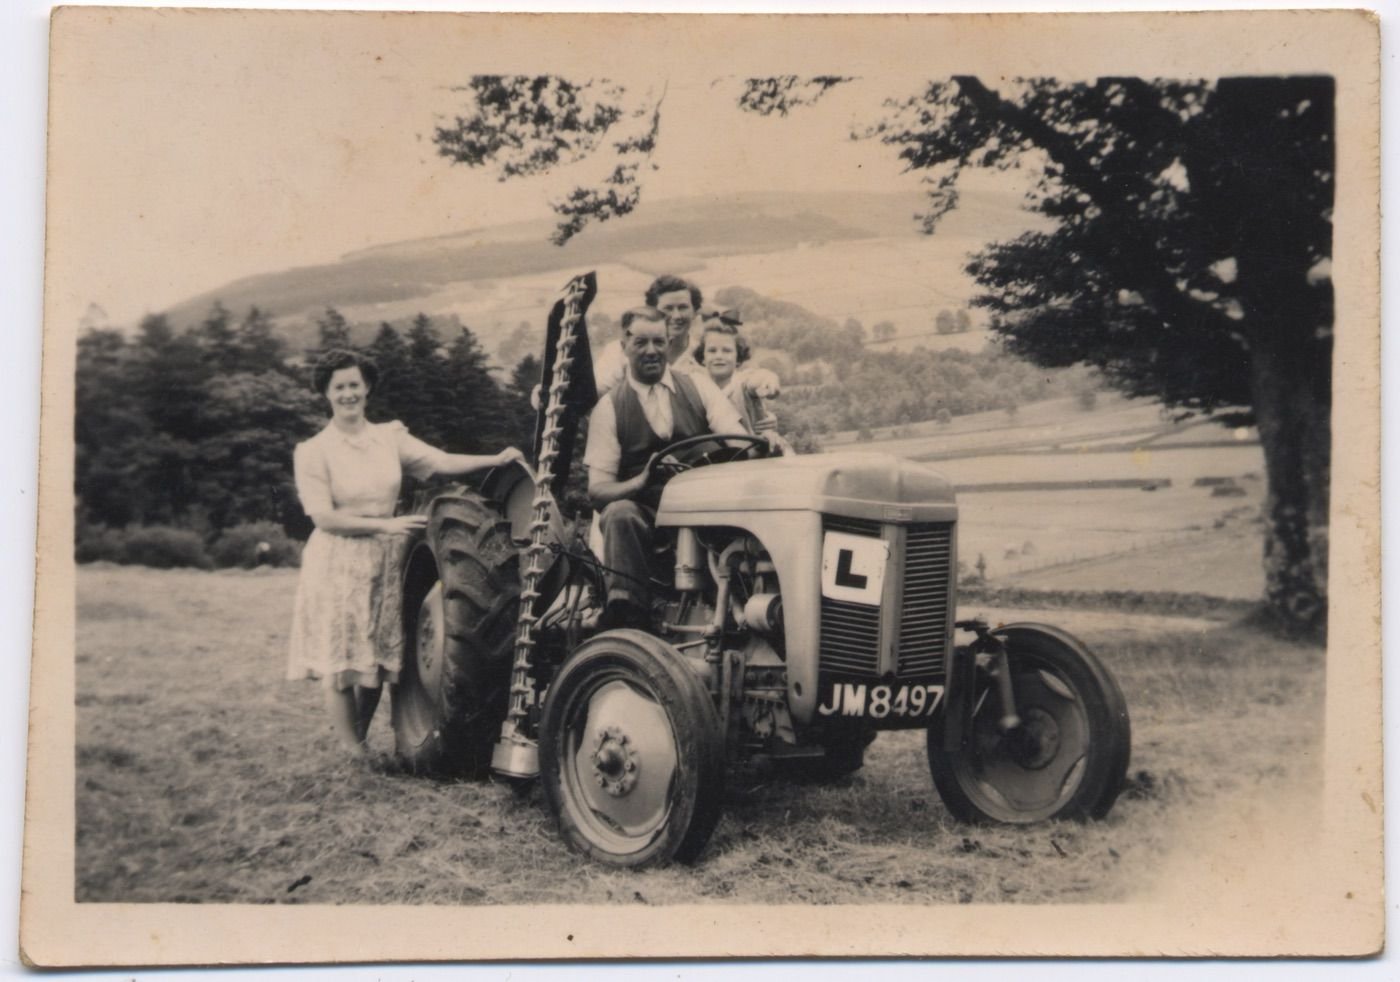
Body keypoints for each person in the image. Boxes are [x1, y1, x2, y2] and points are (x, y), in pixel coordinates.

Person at [286, 349, 526, 759]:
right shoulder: (313, 450)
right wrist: (386, 526)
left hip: (383, 557)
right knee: (343, 660)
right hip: (339, 560)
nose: (348, 394)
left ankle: (359, 740)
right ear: (326, 393)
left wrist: (496, 458)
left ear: (367, 388)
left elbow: (440, 462)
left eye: (354, 385)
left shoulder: (387, 438)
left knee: (377, 659)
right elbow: (323, 518)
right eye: (339, 386)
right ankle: (353, 751)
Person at [585, 306, 747, 628]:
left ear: (669, 343)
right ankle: (629, 619)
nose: (651, 351)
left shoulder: (699, 387)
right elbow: (597, 491)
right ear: (624, 345)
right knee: (619, 514)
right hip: (649, 515)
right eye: (641, 343)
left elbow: (739, 440)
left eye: (659, 342)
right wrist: (640, 482)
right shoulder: (609, 408)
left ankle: (746, 607)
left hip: (707, 505)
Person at [693, 310, 793, 454]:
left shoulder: (741, 383)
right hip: (720, 460)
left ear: (738, 357)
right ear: (702, 357)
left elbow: (758, 379)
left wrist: (769, 383)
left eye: (727, 351)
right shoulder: (700, 388)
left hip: (759, 454)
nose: (719, 356)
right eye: (712, 351)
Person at [591, 274, 707, 396]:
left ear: (695, 311)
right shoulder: (619, 351)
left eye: (683, 307)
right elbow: (596, 394)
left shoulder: (706, 353)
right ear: (652, 311)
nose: (676, 316)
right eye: (668, 308)